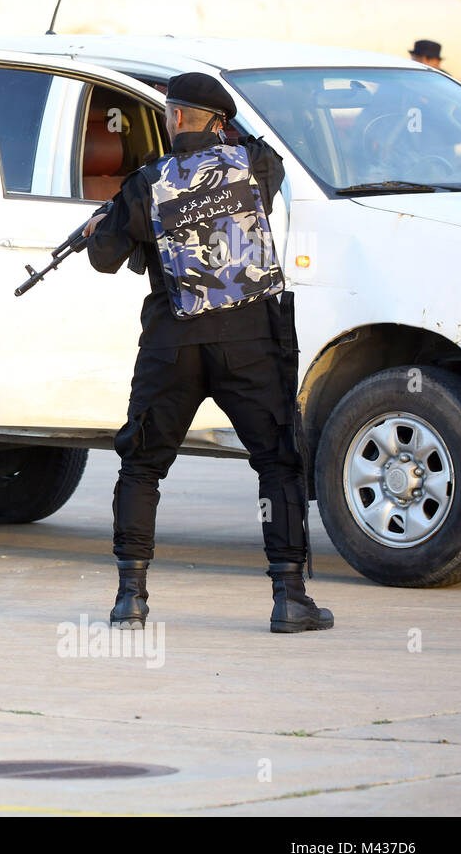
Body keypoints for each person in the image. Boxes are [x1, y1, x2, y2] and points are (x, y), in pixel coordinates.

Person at [82, 72, 332, 634]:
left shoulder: (147, 180)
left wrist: (106, 222)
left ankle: (131, 598)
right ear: (219, 120)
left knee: (142, 464)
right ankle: (290, 597)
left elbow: (103, 257)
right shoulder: (254, 166)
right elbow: (268, 154)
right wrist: (221, 133)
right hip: (249, 341)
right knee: (277, 461)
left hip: (174, 343)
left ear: (172, 118)